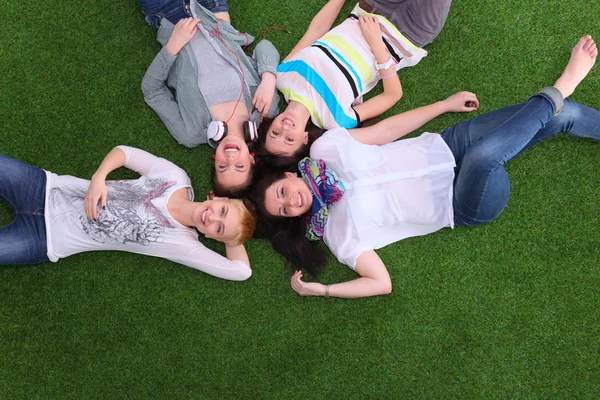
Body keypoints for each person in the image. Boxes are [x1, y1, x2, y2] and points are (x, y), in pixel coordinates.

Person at [250, 35, 599, 298]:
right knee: (482, 157)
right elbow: (381, 283)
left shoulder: (326, 148)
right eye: (284, 211)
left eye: (282, 193)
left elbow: (387, 130)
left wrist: (443, 105)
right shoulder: (337, 236)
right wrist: (324, 290)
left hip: (446, 146)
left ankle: (559, 105)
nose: (291, 202)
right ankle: (562, 86)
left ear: (288, 174)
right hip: (464, 201)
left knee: (562, 115)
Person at [0, 145, 256, 281]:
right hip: (44, 187)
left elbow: (241, 271)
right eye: (222, 210)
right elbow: (125, 152)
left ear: (213, 238)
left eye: (219, 228)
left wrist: (233, 237)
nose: (212, 218)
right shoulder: (175, 177)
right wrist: (99, 177)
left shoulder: (184, 245)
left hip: (44, 240)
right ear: (220, 197)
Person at [255, 0, 452, 159]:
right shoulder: (336, 120)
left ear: (271, 125)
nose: (284, 128)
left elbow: (315, 30)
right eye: (289, 139)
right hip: (408, 33)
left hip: (372, 6)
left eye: (275, 133)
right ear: (304, 139)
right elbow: (392, 95)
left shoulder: (283, 77)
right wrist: (376, 44)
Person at [139, 0, 281, 196]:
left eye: (223, 167)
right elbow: (265, 46)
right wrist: (268, 78)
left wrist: (172, 46)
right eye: (239, 167)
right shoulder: (265, 108)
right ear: (251, 160)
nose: (230, 159)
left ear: (215, 161)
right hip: (212, 9)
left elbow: (151, 91)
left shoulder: (190, 133)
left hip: (169, 18)